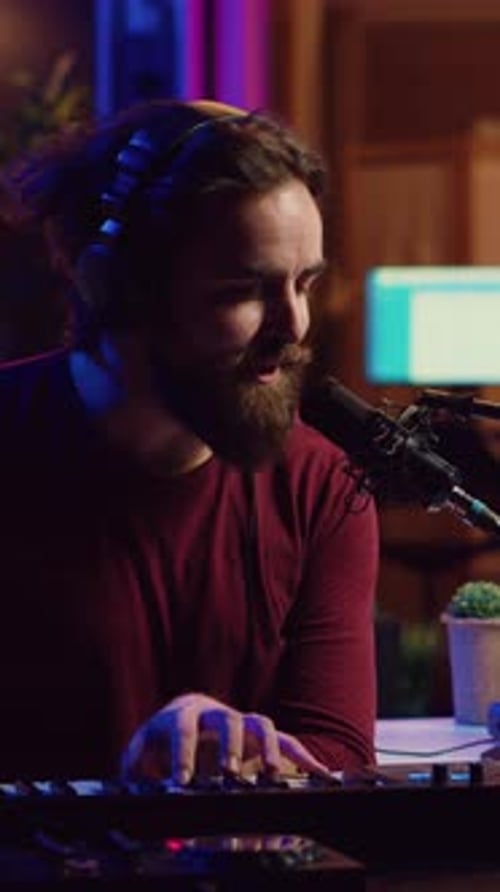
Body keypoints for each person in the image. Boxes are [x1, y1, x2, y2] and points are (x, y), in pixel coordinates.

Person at [0, 98, 379, 784]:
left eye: (305, 283)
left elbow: (340, 765)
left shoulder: (324, 488)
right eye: (245, 290)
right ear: (122, 291)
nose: (293, 325)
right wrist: (126, 786)